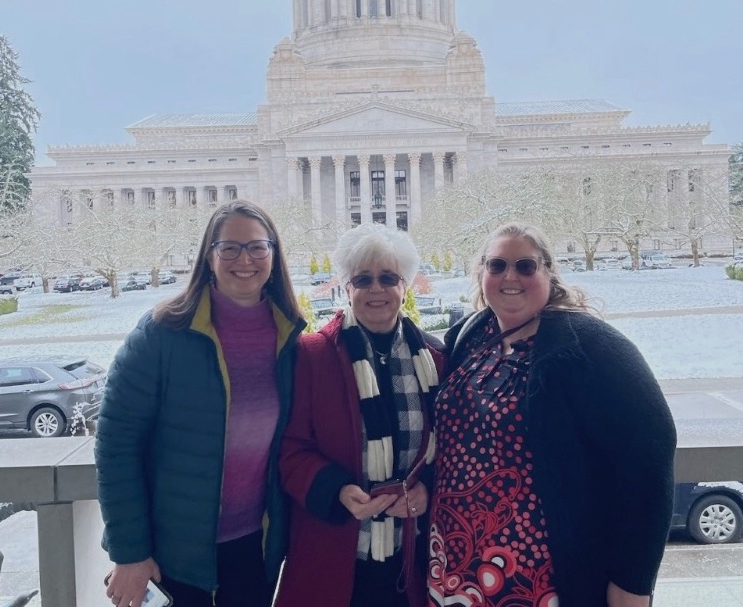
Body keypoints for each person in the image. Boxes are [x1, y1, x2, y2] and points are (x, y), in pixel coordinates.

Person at [429, 222, 676, 607]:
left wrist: (633, 581)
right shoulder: (471, 335)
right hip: (457, 564)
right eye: (496, 265)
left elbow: (649, 461)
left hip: (541, 577)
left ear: (548, 272)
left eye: (525, 266)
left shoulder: (589, 345)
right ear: (481, 274)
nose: (510, 276)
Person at [96, 200, 305, 607]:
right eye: (229, 248)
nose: (244, 259)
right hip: (172, 556)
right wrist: (130, 552)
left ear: (274, 257)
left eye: (257, 247)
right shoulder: (162, 333)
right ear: (209, 257)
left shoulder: (292, 339)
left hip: (255, 550)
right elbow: (115, 445)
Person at [275, 223, 446, 607]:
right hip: (336, 553)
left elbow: (451, 449)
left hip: (411, 557)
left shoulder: (435, 360)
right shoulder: (311, 356)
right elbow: (290, 448)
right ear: (346, 287)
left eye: (388, 278)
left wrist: (427, 490)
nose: (376, 289)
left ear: (405, 285)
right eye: (362, 279)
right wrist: (336, 490)